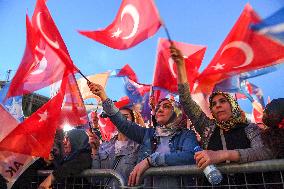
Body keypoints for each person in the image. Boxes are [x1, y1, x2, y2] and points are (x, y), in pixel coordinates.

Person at [170, 45, 273, 187]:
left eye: (223, 101)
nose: (217, 105)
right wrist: (181, 67)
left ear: (233, 105)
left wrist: (222, 155)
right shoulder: (208, 128)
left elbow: (264, 152)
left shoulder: (250, 128)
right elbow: (186, 101)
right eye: (213, 104)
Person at [88, 82, 199, 188]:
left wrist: (151, 161)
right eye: (158, 107)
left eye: (166, 106)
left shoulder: (186, 135)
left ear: (177, 112)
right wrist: (103, 96)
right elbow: (123, 123)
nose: (160, 109)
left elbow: (191, 156)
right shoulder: (148, 134)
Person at [88, 106, 143, 189]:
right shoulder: (104, 147)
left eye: (125, 117)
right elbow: (94, 179)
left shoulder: (139, 147)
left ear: (133, 121)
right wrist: (95, 150)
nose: (121, 120)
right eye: (118, 117)